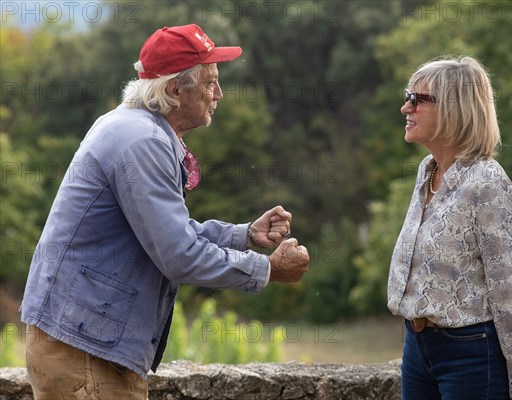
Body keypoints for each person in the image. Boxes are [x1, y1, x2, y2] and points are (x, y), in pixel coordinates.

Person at [20, 24, 310, 400]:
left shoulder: (132, 127)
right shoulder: (144, 142)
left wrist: (244, 235)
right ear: (175, 90)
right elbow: (179, 255)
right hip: (85, 351)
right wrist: (269, 270)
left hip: (79, 340)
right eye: (210, 83)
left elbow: (166, 232)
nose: (219, 94)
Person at [387, 56, 512, 400]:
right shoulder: (426, 172)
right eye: (407, 96)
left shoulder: (488, 183)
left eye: (416, 99)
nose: (404, 108)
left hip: (471, 354)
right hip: (417, 348)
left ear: (454, 109)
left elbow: (511, 291)